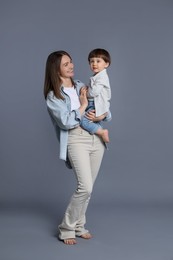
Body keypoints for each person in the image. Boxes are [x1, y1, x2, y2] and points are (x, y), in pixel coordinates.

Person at [44, 50, 111, 245]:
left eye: (71, 62)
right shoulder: (53, 96)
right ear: (56, 69)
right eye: (66, 64)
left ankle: (80, 226)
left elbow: (103, 105)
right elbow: (66, 121)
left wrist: (101, 116)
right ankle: (66, 229)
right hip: (75, 140)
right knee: (85, 187)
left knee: (89, 189)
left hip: (96, 138)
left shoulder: (82, 85)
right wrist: (82, 105)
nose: (71, 66)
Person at [80, 48, 111, 143]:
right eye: (91, 61)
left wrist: (86, 93)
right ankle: (106, 114)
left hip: (94, 103)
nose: (94, 64)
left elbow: (94, 92)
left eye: (98, 61)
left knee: (83, 121)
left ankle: (101, 132)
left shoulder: (101, 77)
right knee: (96, 120)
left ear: (106, 64)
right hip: (98, 103)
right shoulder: (98, 75)